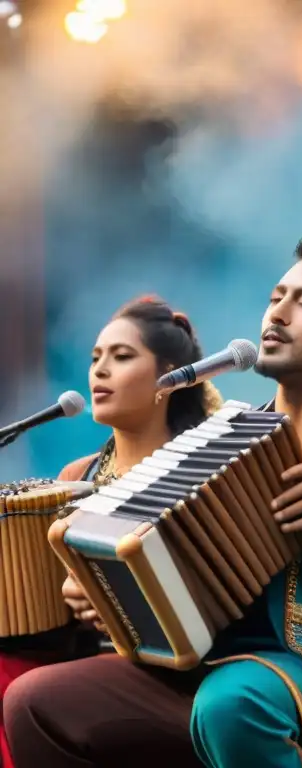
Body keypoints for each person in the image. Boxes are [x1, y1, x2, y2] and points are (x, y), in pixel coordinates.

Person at [4, 234, 302, 768]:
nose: (278, 313)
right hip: (204, 667)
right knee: (35, 703)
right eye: (276, 297)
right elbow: (177, 573)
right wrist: (108, 597)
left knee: (233, 705)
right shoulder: (220, 437)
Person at [0, 296, 218, 767]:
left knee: (27, 693)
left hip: (179, 671)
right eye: (96, 358)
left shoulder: (205, 472)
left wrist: (113, 603)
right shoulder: (75, 475)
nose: (99, 371)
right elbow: (47, 608)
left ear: (171, 376)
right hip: (81, 659)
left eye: (122, 357)